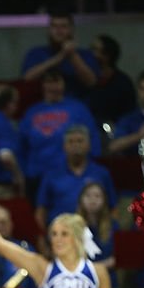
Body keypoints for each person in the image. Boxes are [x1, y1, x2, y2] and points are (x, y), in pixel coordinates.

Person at [19, 69, 100, 200]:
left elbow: (93, 141)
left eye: (57, 81)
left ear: (64, 84)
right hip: (36, 174)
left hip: (68, 176)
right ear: (43, 85)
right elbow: (21, 144)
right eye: (49, 82)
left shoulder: (78, 109)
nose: (53, 86)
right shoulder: (32, 112)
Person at [35, 125, 115, 238]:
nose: (76, 145)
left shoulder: (101, 173)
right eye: (71, 142)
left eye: (80, 141)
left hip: (96, 236)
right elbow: (41, 211)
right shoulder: (51, 175)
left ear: (89, 145)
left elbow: (112, 208)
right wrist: (42, 238)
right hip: (60, 236)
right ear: (64, 146)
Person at [20, 11, 98, 99]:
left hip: (77, 105)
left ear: (71, 30)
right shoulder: (36, 52)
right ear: (49, 30)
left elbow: (91, 82)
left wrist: (72, 55)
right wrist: (60, 56)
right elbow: (27, 78)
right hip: (45, 107)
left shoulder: (85, 54)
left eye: (64, 26)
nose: (59, 30)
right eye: (54, 26)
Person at [86, 34, 136, 126]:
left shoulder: (123, 82)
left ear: (107, 55)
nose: (90, 53)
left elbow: (129, 114)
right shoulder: (83, 79)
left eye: (94, 49)